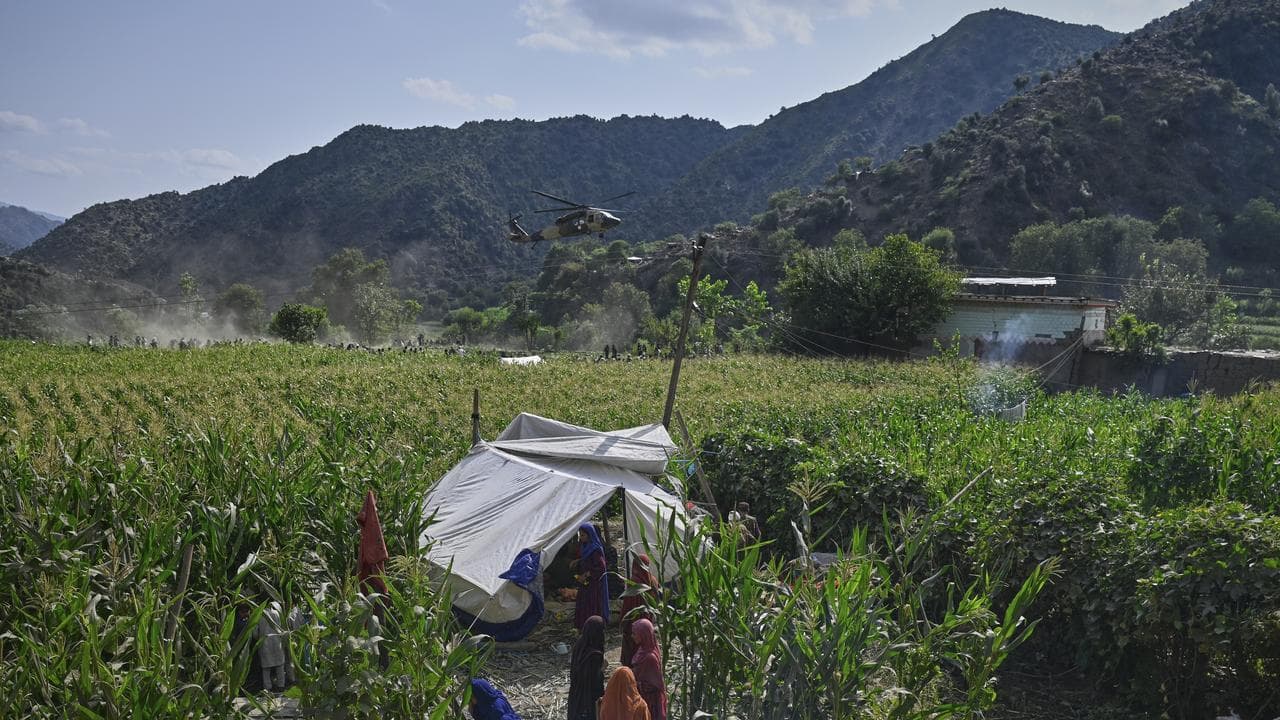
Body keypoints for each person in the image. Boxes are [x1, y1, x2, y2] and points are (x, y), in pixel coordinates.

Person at [620, 554, 658, 668]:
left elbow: (627, 605)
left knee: (632, 649)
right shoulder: (652, 580)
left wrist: (623, 621)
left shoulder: (634, 582)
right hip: (647, 623)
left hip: (634, 623)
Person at [567, 615, 606, 720]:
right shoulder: (595, 655)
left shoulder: (580, 644)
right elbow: (595, 682)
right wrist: (602, 669)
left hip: (576, 692)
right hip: (588, 698)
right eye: (602, 630)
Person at [574, 523, 610, 629]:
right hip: (585, 583)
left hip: (594, 584)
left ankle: (593, 626)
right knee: (583, 604)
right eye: (580, 535)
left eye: (583, 535)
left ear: (590, 535)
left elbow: (601, 567)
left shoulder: (595, 549)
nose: (581, 538)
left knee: (592, 604)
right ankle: (583, 626)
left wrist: (586, 575)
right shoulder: (584, 547)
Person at [628, 619, 666, 720]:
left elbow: (653, 685)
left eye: (635, 634)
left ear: (643, 635)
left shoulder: (650, 658)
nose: (632, 636)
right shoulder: (642, 649)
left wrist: (633, 683)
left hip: (649, 702)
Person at [256, 601, 287, 691]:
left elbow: (255, 633)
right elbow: (282, 627)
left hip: (265, 643)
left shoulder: (259, 614)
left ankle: (268, 688)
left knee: (266, 669)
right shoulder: (277, 613)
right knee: (280, 666)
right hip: (277, 643)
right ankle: (281, 686)